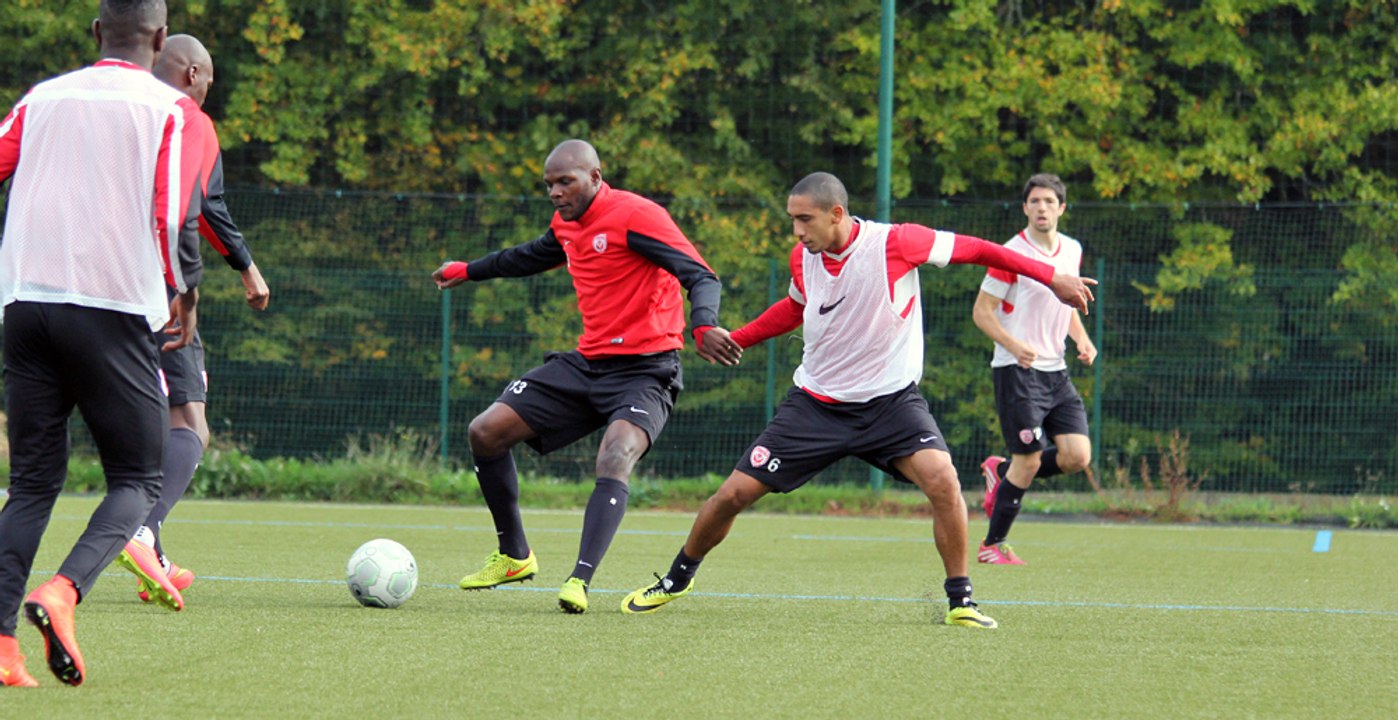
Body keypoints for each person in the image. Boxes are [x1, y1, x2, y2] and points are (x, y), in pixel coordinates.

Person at [620, 172, 1095, 628]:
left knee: (944, 482)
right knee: (731, 495)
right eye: (793, 219)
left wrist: (1050, 276)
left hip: (891, 405)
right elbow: (796, 307)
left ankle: (960, 600)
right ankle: (676, 578)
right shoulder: (801, 257)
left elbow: (979, 249)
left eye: (805, 219)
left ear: (836, 213)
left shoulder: (896, 243)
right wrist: (739, 338)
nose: (797, 230)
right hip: (815, 405)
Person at [0, 0, 215, 687]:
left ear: (96, 33)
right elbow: (171, 209)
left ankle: (2, 649)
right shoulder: (175, 112)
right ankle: (61, 591)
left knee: (31, 481)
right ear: (160, 38)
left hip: (26, 304)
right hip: (114, 309)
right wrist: (181, 292)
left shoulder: (42, 98)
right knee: (137, 476)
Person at [432, 139, 743, 614]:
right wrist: (469, 270)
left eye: (565, 182)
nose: (556, 193)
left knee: (616, 453)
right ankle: (514, 556)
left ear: (596, 177)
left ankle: (579, 579)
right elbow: (528, 256)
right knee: (486, 431)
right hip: (587, 365)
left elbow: (701, 276)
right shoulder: (567, 223)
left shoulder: (637, 216)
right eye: (549, 185)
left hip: (647, 369)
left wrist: (702, 324)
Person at [113, 33, 272, 605]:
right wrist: (242, 271)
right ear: (192, 74)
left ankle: (142, 544)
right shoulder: (189, 122)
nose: (208, 90)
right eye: (209, 80)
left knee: (136, 428)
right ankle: (142, 532)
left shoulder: (118, 111)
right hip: (162, 290)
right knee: (190, 424)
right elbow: (201, 206)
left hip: (96, 287)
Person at [973, 173, 1097, 565]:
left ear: (1061, 208)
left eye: (1049, 201)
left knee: (1077, 456)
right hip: (1017, 370)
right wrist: (1013, 345)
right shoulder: (1010, 253)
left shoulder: (1071, 250)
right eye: (1034, 202)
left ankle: (1001, 471)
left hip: (1056, 371)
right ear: (1025, 208)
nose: (1041, 208)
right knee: (1029, 459)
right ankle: (993, 545)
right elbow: (982, 312)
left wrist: (1081, 337)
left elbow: (1065, 303)